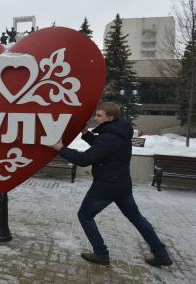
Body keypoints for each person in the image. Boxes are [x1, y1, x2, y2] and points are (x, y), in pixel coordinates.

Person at [49, 102, 173, 267]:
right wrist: (86, 133)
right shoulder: (119, 131)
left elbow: (84, 159)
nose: (95, 118)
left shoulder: (109, 137)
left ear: (110, 117)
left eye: (99, 115)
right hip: (121, 184)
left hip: (106, 186)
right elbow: (102, 147)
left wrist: (60, 148)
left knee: (85, 215)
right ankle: (161, 254)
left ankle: (101, 254)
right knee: (136, 218)